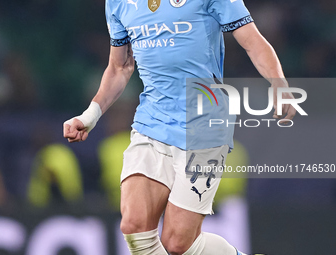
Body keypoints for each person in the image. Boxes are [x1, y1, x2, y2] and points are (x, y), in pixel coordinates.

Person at [63, 0, 296, 254]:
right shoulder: (118, 3)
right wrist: (90, 115)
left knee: (178, 244)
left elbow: (252, 40)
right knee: (134, 227)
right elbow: (120, 67)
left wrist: (279, 83)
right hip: (151, 123)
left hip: (205, 124)